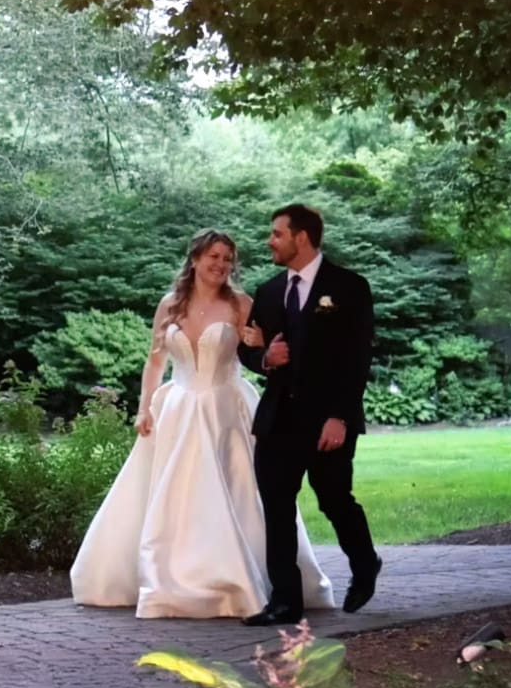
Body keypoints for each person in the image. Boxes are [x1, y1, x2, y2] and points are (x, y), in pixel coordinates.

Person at [70, 229, 334, 618]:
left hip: (226, 410)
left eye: (227, 258)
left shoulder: (241, 304)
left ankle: (237, 579)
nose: (221, 264)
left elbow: (265, 356)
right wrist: (144, 408)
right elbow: (155, 362)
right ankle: (170, 578)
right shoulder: (170, 305)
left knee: (237, 492)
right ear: (195, 259)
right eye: (213, 256)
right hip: (177, 409)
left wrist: (260, 344)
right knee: (174, 496)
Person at [237, 204, 381, 626]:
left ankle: (365, 562)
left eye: (277, 234)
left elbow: (358, 358)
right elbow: (246, 348)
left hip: (326, 421)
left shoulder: (349, 287)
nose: (270, 241)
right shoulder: (268, 292)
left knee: (334, 499)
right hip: (278, 418)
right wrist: (265, 358)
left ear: (301, 237)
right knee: (277, 506)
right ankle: (285, 602)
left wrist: (340, 416)